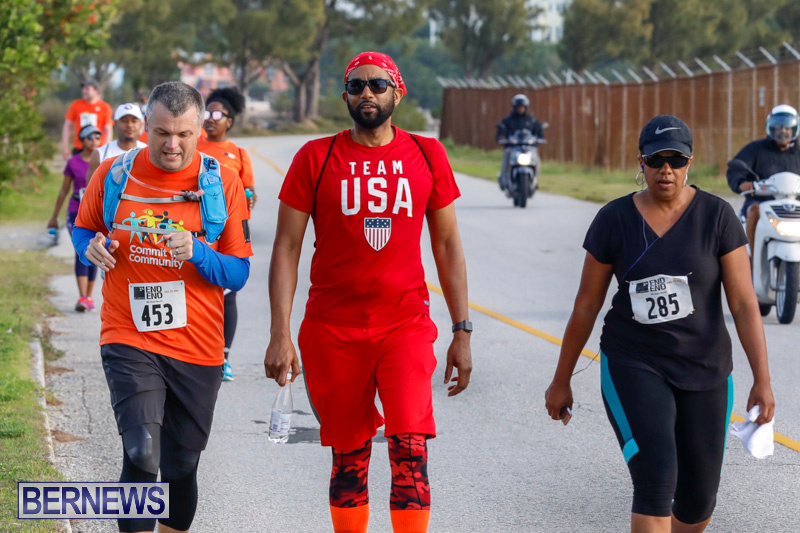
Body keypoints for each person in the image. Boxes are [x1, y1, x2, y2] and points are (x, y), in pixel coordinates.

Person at [264, 51, 472, 533]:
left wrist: (461, 330)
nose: (367, 93)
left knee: (410, 450)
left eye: (378, 84)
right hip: (332, 330)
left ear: (398, 92)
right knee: (349, 459)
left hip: (405, 325)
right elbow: (286, 247)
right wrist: (280, 333)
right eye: (357, 86)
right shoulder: (316, 157)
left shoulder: (426, 154)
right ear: (345, 96)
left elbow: (446, 245)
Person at [545, 115, 775, 533]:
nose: (665, 169)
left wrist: (763, 379)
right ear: (641, 162)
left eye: (676, 160)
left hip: (705, 366)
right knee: (655, 476)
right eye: (655, 160)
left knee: (698, 500)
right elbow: (586, 305)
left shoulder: (717, 217)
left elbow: (743, 304)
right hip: (634, 361)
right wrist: (562, 379)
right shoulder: (614, 219)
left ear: (690, 163)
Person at [72, 81, 253, 533]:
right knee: (141, 454)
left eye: (184, 134)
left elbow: (238, 273)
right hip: (128, 335)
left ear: (199, 130)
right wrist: (88, 247)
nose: (172, 145)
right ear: (145, 128)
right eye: (162, 133)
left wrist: (198, 251)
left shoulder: (221, 183)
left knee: (180, 465)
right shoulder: (113, 174)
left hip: (198, 346)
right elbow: (84, 229)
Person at [198, 87, 257, 382]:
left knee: (227, 293)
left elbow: (249, 192)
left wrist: (248, 198)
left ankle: (224, 357)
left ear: (229, 121)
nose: (210, 118)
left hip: (227, 232)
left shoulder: (239, 154)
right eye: (206, 112)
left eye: (217, 114)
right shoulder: (191, 146)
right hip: (196, 230)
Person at [727, 104, 800, 255]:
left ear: (794, 129)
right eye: (779, 127)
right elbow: (735, 168)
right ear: (770, 128)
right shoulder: (755, 149)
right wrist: (741, 183)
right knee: (753, 211)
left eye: (787, 127)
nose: (783, 131)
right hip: (761, 203)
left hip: (795, 205)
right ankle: (753, 258)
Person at [47, 125, 101, 312]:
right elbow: (64, 191)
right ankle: (82, 296)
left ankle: (89, 297)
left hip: (95, 212)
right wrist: (54, 217)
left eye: (97, 136)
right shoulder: (73, 163)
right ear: (81, 141)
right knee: (81, 249)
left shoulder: (104, 160)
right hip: (75, 211)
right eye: (90, 137)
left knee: (95, 250)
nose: (94, 140)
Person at [86, 103, 148, 180]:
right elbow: (91, 186)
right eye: (124, 121)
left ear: (141, 124)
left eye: (134, 121)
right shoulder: (100, 154)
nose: (129, 125)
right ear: (115, 124)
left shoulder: (149, 152)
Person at [496, 94, 544, 190]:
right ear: (514, 107)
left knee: (536, 160)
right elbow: (501, 133)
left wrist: (537, 140)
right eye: (518, 107)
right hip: (513, 147)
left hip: (528, 147)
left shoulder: (532, 121)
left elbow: (539, 133)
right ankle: (504, 181)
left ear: (526, 107)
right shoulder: (508, 120)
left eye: (522, 107)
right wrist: (505, 139)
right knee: (506, 158)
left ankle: (535, 181)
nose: (520, 109)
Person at [62, 78, 113, 160]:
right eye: (83, 89)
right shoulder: (76, 104)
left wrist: (107, 149)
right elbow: (67, 126)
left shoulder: (105, 107)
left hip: (98, 148)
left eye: (87, 89)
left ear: (96, 91)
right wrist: (65, 146)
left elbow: (108, 129)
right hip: (80, 147)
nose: (84, 91)